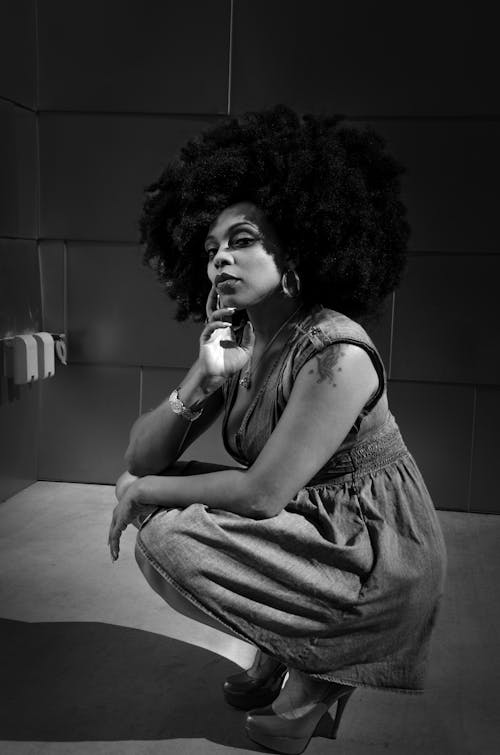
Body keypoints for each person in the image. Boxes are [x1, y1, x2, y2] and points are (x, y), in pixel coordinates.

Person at [108, 105, 447, 754]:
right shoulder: (237, 339)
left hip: (370, 555)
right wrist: (202, 379)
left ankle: (322, 669)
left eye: (242, 241)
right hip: (306, 521)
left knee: (168, 537)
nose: (220, 261)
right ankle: (285, 640)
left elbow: (263, 494)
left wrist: (145, 489)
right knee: (156, 488)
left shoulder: (335, 350)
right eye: (211, 249)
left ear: (292, 248)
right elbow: (142, 452)